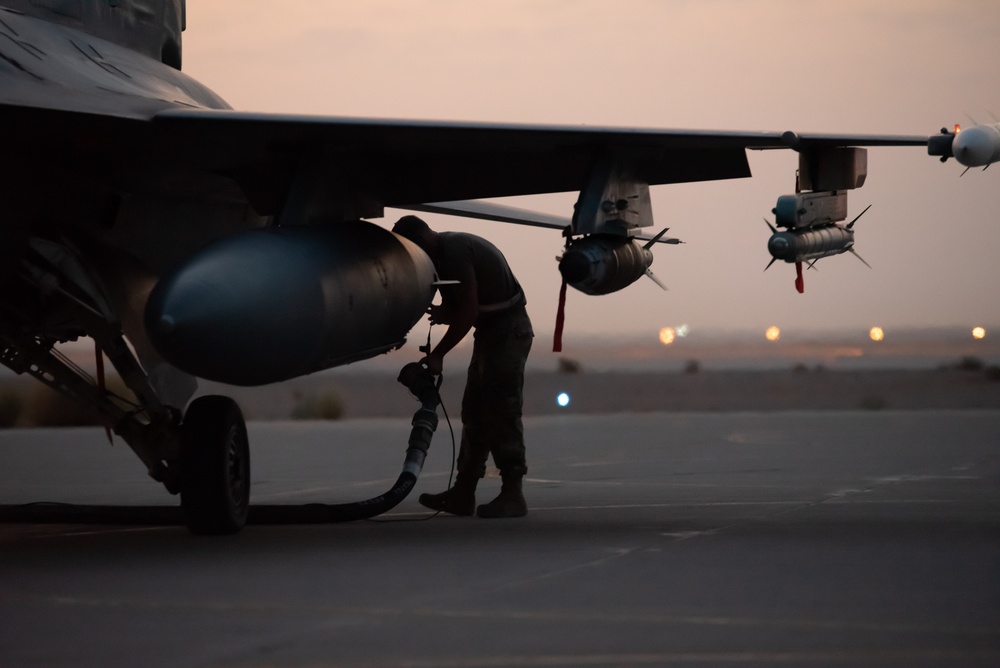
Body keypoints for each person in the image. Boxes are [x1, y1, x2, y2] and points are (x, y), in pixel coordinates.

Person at [392, 215, 533, 518]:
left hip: (507, 332)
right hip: (492, 333)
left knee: (501, 409)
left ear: (421, 240)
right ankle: (463, 492)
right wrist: (446, 312)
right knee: (475, 410)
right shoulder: (441, 257)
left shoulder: (453, 252)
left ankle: (513, 494)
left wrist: (439, 353)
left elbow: (468, 313)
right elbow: (463, 306)